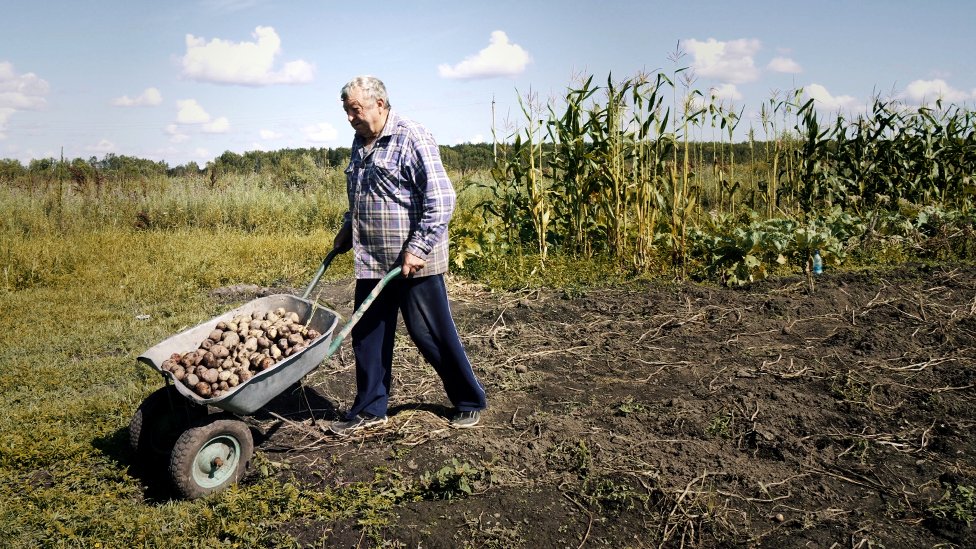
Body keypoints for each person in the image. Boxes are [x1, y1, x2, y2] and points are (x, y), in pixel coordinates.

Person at [328, 75, 487, 436]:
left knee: (430, 333)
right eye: (347, 112)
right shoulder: (360, 142)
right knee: (367, 336)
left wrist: (417, 248)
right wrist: (347, 228)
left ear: (379, 104)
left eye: (356, 110)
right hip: (372, 261)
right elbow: (361, 197)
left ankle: (468, 400)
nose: (351, 118)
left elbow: (442, 198)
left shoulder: (411, 136)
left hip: (414, 264)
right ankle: (370, 410)